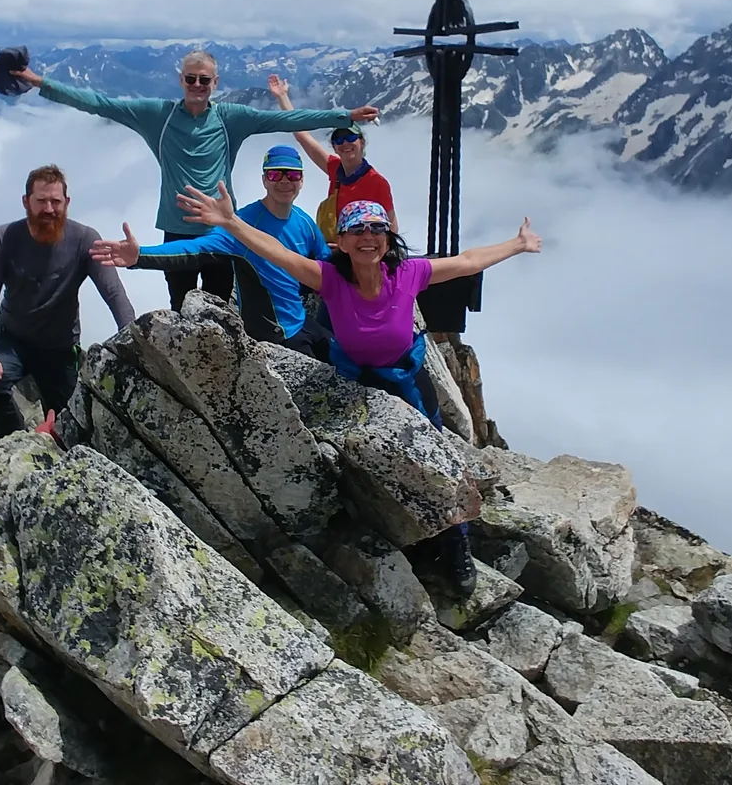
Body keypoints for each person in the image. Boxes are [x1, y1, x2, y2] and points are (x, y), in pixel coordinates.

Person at [174, 187, 542, 598]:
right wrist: (230, 222)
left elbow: (467, 262)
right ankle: (401, 538)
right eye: (357, 229)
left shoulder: (408, 274)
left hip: (407, 383)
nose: (368, 236)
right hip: (354, 383)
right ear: (342, 242)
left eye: (377, 229)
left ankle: (456, 545)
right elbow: (280, 254)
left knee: (435, 464)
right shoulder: (329, 279)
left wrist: (518, 244)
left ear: (388, 238)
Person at [8, 50, 379, 308]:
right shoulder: (158, 115)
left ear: (215, 82)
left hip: (221, 229)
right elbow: (99, 102)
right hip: (177, 227)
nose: (197, 85)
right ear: (181, 80)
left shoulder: (231, 117)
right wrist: (39, 81)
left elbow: (285, 121)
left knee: (218, 306)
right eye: (191, 79)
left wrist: (343, 115)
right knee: (182, 305)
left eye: (204, 80)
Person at [89, 145, 329, 357]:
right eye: (275, 174)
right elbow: (196, 249)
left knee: (351, 363)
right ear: (264, 180)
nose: (285, 182)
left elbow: (328, 264)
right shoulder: (242, 224)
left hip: (300, 321)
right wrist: (140, 256)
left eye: (293, 174)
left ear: (301, 180)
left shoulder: (304, 222)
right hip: (275, 336)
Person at [0, 165, 136, 439]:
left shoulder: (84, 240)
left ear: (66, 203)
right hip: (13, 340)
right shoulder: (3, 238)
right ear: (26, 202)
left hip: (60, 349)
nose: (49, 209)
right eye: (41, 201)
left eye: (56, 201)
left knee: (72, 431)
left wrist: (132, 345)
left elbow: (114, 294)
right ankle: (18, 442)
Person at [267, 74, 398, 239]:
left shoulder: (376, 182)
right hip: (333, 251)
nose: (345, 143)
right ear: (334, 147)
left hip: (359, 253)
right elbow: (302, 135)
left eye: (350, 138)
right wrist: (282, 97)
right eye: (339, 139)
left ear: (362, 142)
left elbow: (392, 228)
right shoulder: (336, 168)